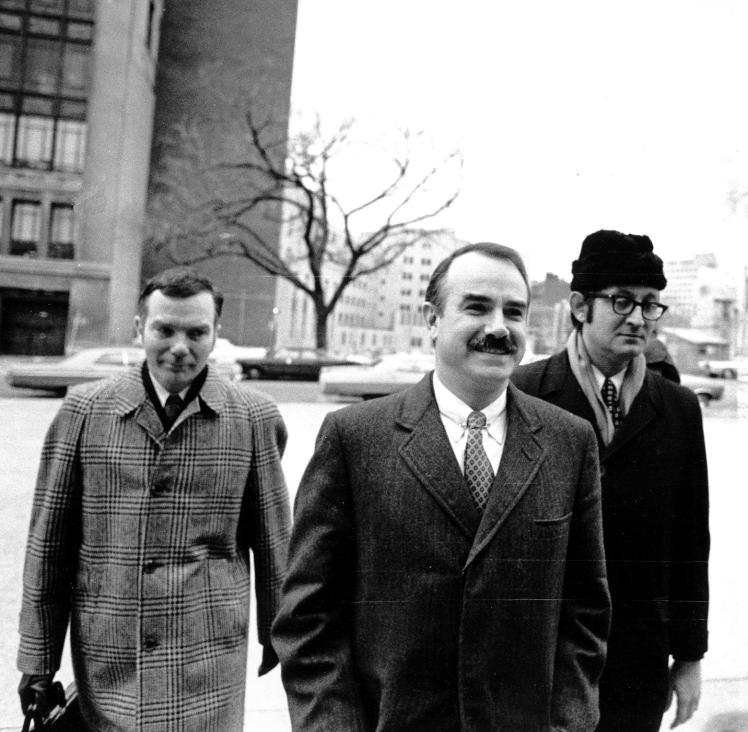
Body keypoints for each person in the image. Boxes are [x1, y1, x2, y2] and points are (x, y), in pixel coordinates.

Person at [272, 242, 611, 731]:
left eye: (514, 312)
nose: (499, 327)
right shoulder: (356, 438)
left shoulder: (568, 441)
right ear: (432, 319)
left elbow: (585, 613)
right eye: (477, 306)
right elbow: (308, 619)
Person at [16, 267, 292, 729]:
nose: (180, 347)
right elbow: (49, 545)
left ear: (215, 334)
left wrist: (278, 632)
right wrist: (37, 656)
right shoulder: (84, 412)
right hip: (110, 650)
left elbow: (273, 538)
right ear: (139, 327)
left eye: (196, 332)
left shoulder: (252, 417)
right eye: (165, 329)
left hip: (208, 652)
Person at [512, 230, 710, 731]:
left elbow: (690, 541)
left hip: (638, 659)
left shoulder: (678, 409)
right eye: (622, 301)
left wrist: (689, 656)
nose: (639, 318)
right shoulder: (524, 393)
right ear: (580, 306)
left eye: (650, 305)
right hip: (539, 657)